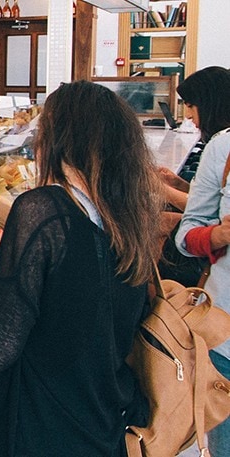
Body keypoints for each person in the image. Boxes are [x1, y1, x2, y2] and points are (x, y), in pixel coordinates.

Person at [0, 80, 162, 456]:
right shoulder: (126, 219)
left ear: (57, 139)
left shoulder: (44, 210)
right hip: (101, 427)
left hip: (43, 431)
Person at [173, 66, 230, 455]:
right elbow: (187, 236)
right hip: (225, 331)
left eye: (191, 105)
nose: (189, 115)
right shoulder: (223, 148)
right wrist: (220, 236)